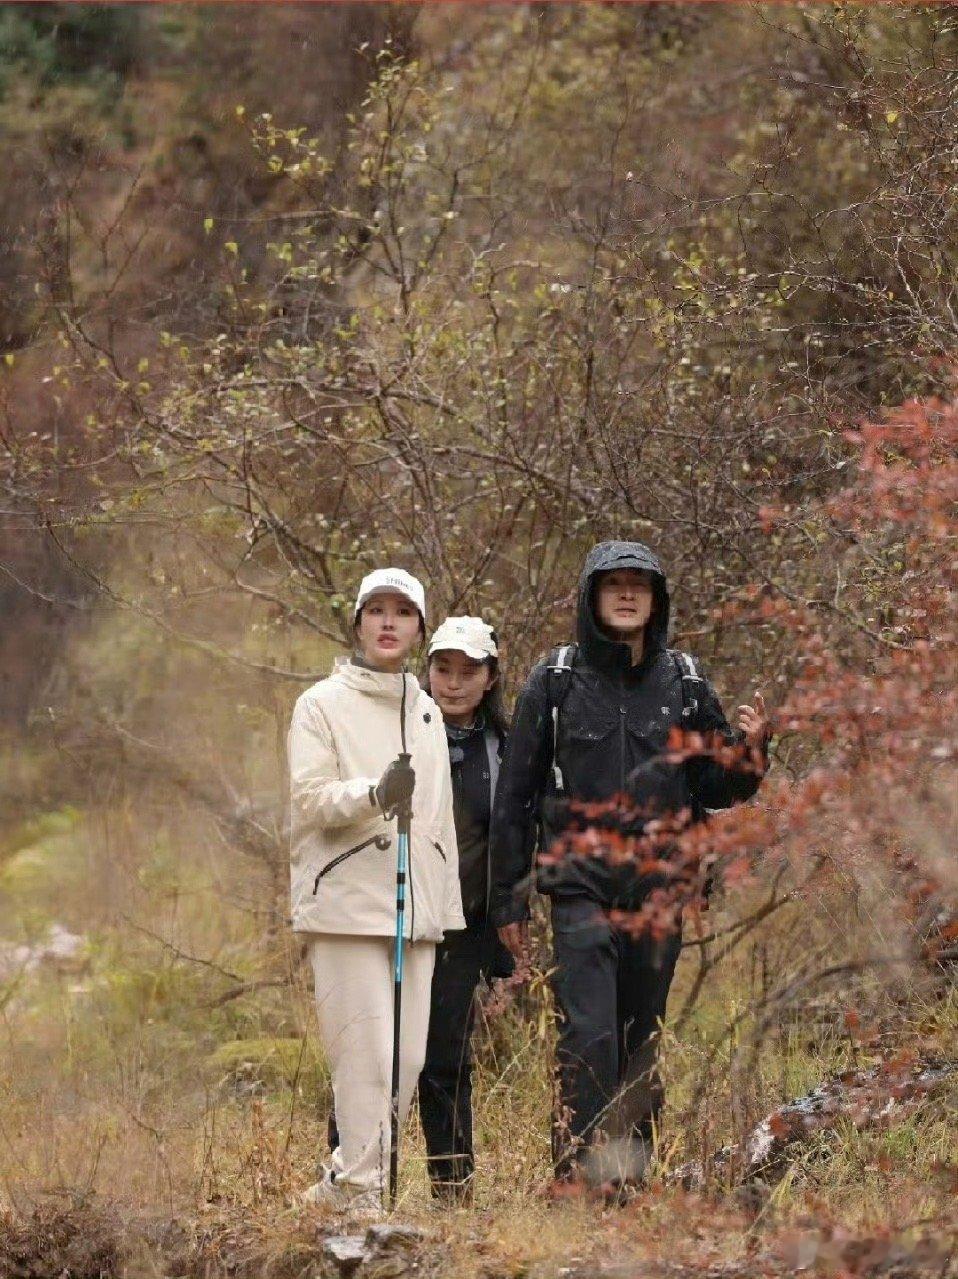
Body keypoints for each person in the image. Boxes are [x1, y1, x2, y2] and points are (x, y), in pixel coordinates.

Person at [489, 541, 770, 1189]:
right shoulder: (555, 679)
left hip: (660, 890)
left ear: (655, 600)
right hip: (578, 886)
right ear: (591, 596)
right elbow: (516, 797)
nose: (624, 594)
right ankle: (578, 1182)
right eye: (612, 583)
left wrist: (753, 752)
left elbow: (715, 786)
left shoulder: (685, 682)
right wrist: (507, 899)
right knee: (589, 1034)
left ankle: (629, 1186)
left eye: (637, 585)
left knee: (640, 1038)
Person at [288, 568, 465, 1216]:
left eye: (403, 612)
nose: (389, 622)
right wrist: (373, 794)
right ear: (359, 622)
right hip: (345, 905)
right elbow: (310, 798)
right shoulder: (319, 704)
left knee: (406, 1061)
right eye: (377, 610)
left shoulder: (427, 711)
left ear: (419, 628)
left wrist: (441, 910)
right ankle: (360, 1198)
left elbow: (439, 821)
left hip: (413, 912)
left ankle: (340, 1187)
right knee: (365, 1062)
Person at [418, 616, 515, 1204]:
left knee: (446, 1060)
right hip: (396, 921)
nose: (453, 683)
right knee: (376, 1059)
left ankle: (452, 1193)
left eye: (468, 670)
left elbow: (516, 841)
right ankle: (354, 1184)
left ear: (490, 677)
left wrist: (503, 930)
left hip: (465, 927)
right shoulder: (401, 731)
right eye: (443, 668)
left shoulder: (506, 747)